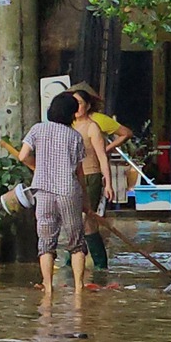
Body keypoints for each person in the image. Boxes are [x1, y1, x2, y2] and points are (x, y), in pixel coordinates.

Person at [18, 91, 89, 303]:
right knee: (76, 242)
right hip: (68, 190)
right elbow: (79, 172)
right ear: (72, 114)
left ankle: (48, 289)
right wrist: (86, 200)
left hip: (43, 190)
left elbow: (22, 155)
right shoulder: (75, 136)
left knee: (46, 242)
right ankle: (78, 289)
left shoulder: (37, 129)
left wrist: (37, 168)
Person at [68, 89, 115, 278]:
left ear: (87, 106)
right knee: (73, 222)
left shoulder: (92, 127)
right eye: (73, 103)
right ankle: (70, 261)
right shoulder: (67, 126)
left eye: (79, 103)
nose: (77, 107)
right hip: (72, 178)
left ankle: (101, 264)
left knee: (88, 222)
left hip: (91, 177)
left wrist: (108, 183)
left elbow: (102, 157)